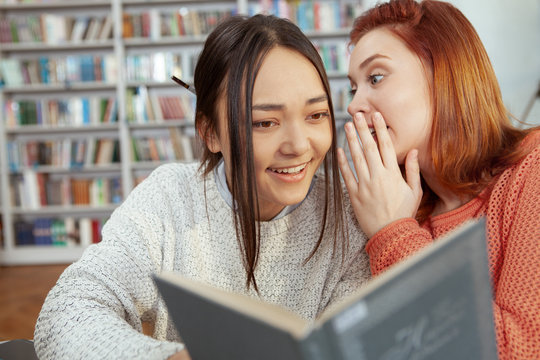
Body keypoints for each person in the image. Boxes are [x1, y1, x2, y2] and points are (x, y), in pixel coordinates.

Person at [34, 14, 370, 360]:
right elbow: (65, 313)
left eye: (316, 115)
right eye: (264, 122)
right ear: (210, 132)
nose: (299, 145)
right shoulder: (170, 198)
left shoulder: (348, 212)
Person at [338, 0, 540, 359]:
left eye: (376, 77)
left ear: (444, 72)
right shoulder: (395, 205)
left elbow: (519, 350)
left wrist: (394, 232)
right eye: (354, 87)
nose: (354, 105)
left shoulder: (532, 166)